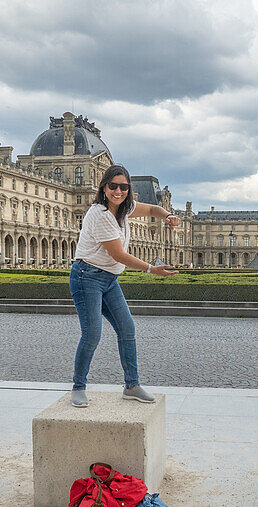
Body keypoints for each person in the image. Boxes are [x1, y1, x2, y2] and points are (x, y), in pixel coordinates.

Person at [69, 164, 178, 408]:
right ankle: (78, 386)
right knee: (92, 334)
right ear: (104, 187)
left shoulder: (124, 208)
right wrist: (151, 269)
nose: (118, 191)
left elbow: (151, 208)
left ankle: (132, 385)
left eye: (124, 187)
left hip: (108, 279)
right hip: (87, 277)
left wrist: (166, 215)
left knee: (127, 328)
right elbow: (118, 254)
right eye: (113, 186)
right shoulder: (100, 214)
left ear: (129, 190)